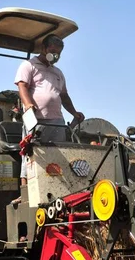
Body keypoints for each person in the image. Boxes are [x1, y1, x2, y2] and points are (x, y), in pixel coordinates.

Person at [14, 34, 85, 186]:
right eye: (52, 51)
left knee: (59, 154)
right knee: (31, 153)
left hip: (56, 121)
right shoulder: (29, 65)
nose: (55, 55)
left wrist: (74, 112)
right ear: (43, 48)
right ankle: (26, 189)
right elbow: (22, 86)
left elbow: (64, 96)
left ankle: (57, 187)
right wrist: (28, 104)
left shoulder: (58, 73)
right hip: (35, 119)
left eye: (58, 53)